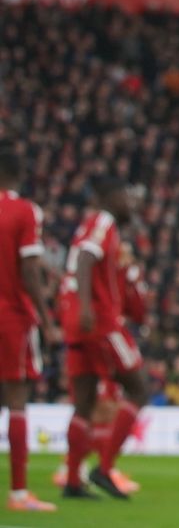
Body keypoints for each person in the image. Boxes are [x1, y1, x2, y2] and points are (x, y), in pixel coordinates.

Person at [56, 176, 148, 501]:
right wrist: (85, 306)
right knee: (139, 388)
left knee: (83, 401)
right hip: (100, 321)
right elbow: (85, 257)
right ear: (112, 196)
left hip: (78, 321)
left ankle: (72, 480)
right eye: (126, 196)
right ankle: (104, 468)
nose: (130, 203)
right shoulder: (103, 222)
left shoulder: (96, 224)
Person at [0, 149, 59, 514]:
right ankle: (19, 493)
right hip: (11, 317)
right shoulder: (24, 211)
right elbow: (29, 269)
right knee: (17, 400)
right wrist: (47, 321)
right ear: (18, 175)